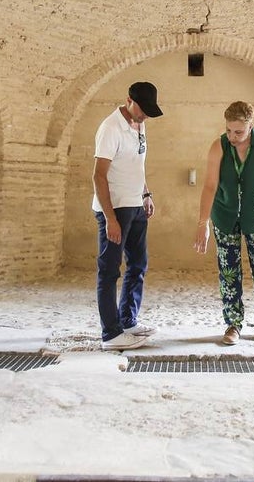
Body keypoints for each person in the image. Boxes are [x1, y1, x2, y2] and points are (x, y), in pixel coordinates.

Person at [193, 100, 254, 347]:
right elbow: (210, 186)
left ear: (250, 126)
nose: (232, 136)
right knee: (228, 271)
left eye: (239, 132)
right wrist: (203, 223)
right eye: (229, 130)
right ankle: (233, 324)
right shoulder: (218, 146)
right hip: (224, 214)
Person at [92, 81, 163, 351]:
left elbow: (137, 165)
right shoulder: (110, 128)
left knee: (138, 266)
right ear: (129, 100)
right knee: (109, 271)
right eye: (142, 110)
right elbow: (98, 175)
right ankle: (110, 334)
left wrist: (145, 194)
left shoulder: (140, 124)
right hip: (115, 208)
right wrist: (110, 218)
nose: (145, 116)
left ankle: (128, 320)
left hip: (136, 205)